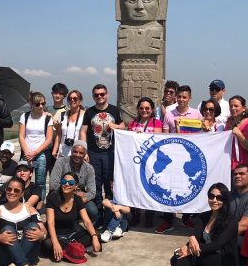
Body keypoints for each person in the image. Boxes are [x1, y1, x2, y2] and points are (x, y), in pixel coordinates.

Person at [146, 183, 238, 266]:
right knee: (176, 258)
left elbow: (217, 244)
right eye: (211, 196)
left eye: (219, 198)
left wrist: (189, 250)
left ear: (225, 200)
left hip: (223, 263)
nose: (214, 200)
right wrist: (192, 237)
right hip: (206, 257)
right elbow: (196, 233)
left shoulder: (231, 220)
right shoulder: (204, 216)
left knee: (187, 257)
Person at [0, 177, 46, 266]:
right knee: (7, 229)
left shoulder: (29, 209)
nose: (12, 192)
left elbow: (43, 230)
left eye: (16, 190)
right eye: (9, 189)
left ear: (22, 193)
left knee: (33, 226)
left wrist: (41, 235)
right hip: (4, 255)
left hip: (28, 253)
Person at [158, 84, 202, 232]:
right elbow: (164, 137)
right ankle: (168, 220)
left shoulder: (197, 114)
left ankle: (186, 218)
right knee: (169, 186)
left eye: (184, 97)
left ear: (190, 98)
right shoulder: (169, 114)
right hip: (173, 157)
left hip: (190, 157)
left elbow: (202, 136)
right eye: (179, 97)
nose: (181, 99)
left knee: (189, 186)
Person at [79, 84, 125, 222]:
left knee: (110, 184)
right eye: (96, 95)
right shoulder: (89, 112)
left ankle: (110, 215)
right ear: (93, 96)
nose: (99, 96)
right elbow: (83, 131)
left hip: (110, 153)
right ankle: (98, 215)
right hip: (94, 152)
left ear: (107, 94)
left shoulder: (114, 110)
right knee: (96, 184)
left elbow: (123, 126)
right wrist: (84, 150)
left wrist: (116, 126)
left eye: (102, 94)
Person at [44, 172, 101, 262]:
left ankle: (67, 251)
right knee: (47, 244)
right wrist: (55, 242)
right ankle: (75, 250)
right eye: (64, 182)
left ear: (76, 186)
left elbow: (87, 221)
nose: (67, 184)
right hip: (57, 235)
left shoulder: (78, 199)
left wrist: (94, 237)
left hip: (73, 234)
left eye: (70, 183)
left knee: (96, 234)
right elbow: (50, 222)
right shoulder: (52, 197)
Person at [127, 97, 162, 227]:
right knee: (135, 187)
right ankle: (135, 215)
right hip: (136, 160)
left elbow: (158, 139)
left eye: (147, 108)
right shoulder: (133, 123)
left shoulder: (156, 122)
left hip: (151, 161)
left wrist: (142, 136)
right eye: (141, 108)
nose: (144, 110)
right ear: (138, 109)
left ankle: (149, 216)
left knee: (150, 187)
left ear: (152, 109)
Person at [49, 140, 97, 223]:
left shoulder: (89, 168)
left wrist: (78, 201)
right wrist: (73, 193)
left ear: (85, 154)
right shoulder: (61, 162)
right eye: (75, 152)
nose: (77, 155)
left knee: (92, 210)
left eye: (81, 153)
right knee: (52, 196)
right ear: (71, 151)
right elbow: (53, 184)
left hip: (79, 198)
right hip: (61, 193)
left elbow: (92, 192)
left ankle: (76, 219)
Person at [19, 92, 53, 201]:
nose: (41, 106)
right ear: (32, 104)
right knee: (21, 180)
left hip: (40, 154)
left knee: (41, 183)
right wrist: (26, 152)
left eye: (43, 103)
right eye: (38, 104)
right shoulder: (25, 116)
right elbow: (21, 136)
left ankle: (38, 205)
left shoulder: (47, 118)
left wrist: (35, 153)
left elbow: (49, 139)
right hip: (26, 153)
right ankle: (21, 202)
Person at [224, 95, 248, 170]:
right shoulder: (229, 123)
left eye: (236, 106)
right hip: (228, 164)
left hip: (241, 166)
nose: (233, 108)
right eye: (231, 106)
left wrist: (239, 134)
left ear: (244, 108)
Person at [53, 89, 85, 159]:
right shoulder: (62, 115)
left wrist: (86, 153)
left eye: (75, 99)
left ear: (80, 101)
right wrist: (54, 150)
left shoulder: (85, 116)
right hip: (62, 153)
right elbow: (59, 135)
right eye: (70, 99)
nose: (72, 100)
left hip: (78, 154)